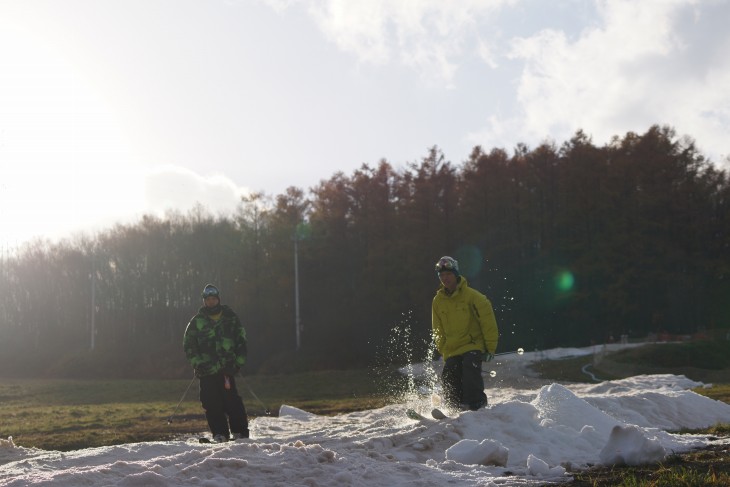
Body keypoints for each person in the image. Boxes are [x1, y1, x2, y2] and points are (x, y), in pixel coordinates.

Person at [183, 283, 249, 441]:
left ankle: (239, 432)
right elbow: (189, 344)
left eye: (214, 299)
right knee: (211, 402)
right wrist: (197, 362)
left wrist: (238, 362)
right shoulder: (197, 321)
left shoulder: (230, 317)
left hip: (227, 368)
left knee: (232, 401)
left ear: (218, 299)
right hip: (206, 370)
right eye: (208, 299)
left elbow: (241, 339)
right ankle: (220, 433)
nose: (211, 302)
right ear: (204, 301)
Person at [432, 256, 499, 411]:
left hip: (472, 345)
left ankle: (476, 405)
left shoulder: (473, 297)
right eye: (442, 276)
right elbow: (437, 328)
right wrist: (443, 349)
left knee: (469, 369)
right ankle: (453, 408)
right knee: (449, 374)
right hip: (452, 348)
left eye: (448, 274)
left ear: (456, 274)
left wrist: (490, 348)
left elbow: (488, 323)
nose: (445, 278)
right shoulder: (438, 301)